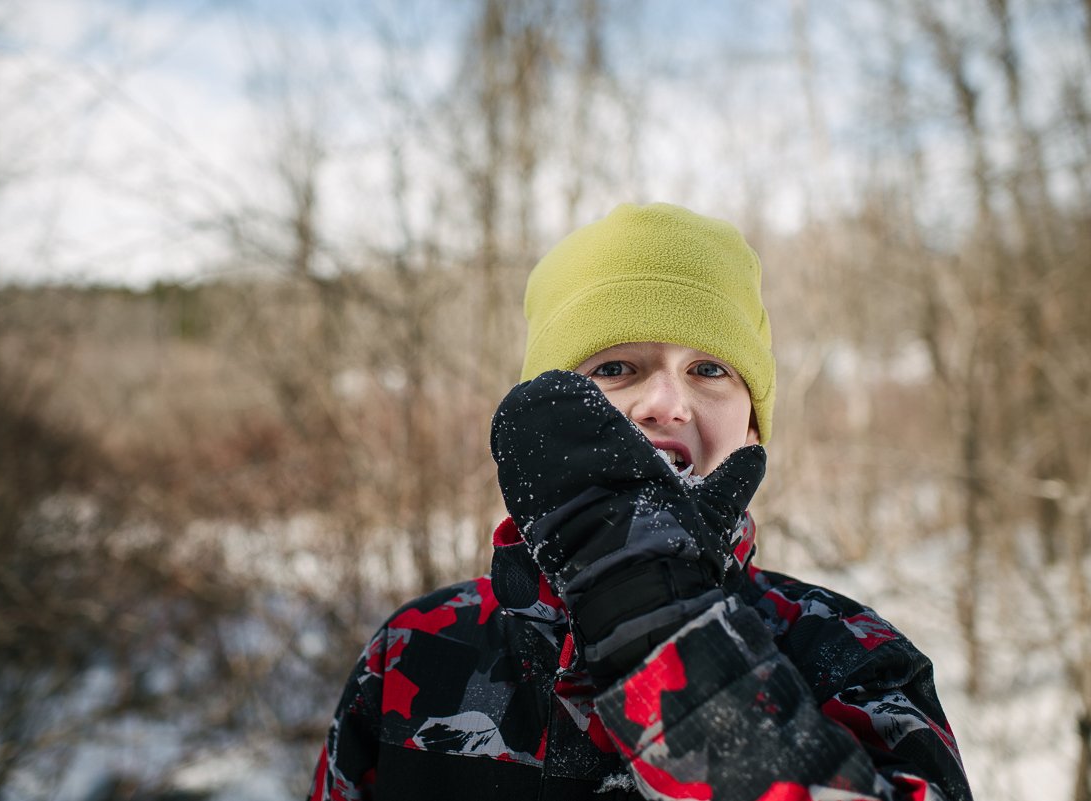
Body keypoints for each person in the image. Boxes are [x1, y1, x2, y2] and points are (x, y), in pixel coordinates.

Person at [306, 203, 973, 801]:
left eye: (708, 369)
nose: (666, 403)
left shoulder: (850, 657)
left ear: (750, 427)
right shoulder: (412, 654)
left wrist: (658, 617)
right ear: (547, 411)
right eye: (617, 368)